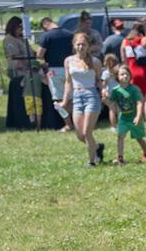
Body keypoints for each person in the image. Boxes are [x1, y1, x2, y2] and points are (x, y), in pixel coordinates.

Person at [62, 32, 105, 166]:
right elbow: (68, 82)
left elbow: (99, 80)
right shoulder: (68, 61)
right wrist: (64, 101)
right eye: (78, 44)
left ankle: (92, 161)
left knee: (87, 132)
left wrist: (104, 91)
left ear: (88, 46)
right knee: (80, 135)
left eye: (84, 44)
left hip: (91, 96)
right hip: (77, 97)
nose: (81, 47)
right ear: (74, 45)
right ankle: (97, 147)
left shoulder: (95, 61)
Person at [36, 17, 75, 131]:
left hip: (54, 71)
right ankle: (76, 121)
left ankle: (68, 124)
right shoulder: (70, 34)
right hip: (70, 68)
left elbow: (40, 55)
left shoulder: (46, 36)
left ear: (45, 25)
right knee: (71, 98)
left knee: (58, 100)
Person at [109, 65, 146, 165]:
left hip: (134, 117)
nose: (125, 76)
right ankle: (120, 158)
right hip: (123, 118)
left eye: (127, 74)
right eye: (122, 74)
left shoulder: (134, 89)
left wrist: (138, 116)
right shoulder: (115, 90)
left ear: (130, 75)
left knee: (139, 138)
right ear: (117, 76)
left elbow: (139, 103)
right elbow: (112, 104)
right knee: (120, 137)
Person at [3, 16, 36, 129]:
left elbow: (31, 52)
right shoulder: (9, 39)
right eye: (19, 27)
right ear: (13, 27)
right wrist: (28, 68)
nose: (21, 30)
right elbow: (16, 58)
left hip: (29, 71)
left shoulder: (22, 39)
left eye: (22, 28)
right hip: (19, 72)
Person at [122, 23, 146, 128]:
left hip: (132, 72)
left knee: (137, 99)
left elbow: (124, 60)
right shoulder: (145, 40)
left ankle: (137, 121)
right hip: (145, 71)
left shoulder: (125, 41)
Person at [101, 53, 120, 127]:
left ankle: (113, 125)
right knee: (119, 109)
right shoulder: (118, 71)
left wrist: (103, 92)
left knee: (112, 109)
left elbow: (103, 85)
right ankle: (121, 124)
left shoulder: (105, 73)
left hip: (110, 92)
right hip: (119, 91)